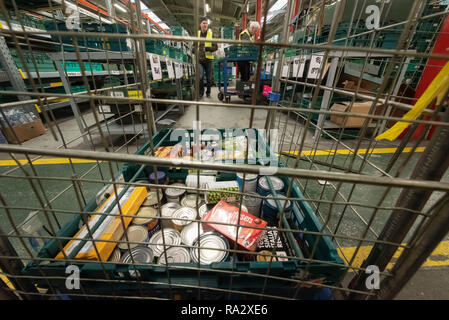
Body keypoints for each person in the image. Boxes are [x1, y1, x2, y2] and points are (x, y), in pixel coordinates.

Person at [197, 17, 217, 98]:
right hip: (200, 60)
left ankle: (208, 92)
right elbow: (193, 46)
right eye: (203, 23)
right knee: (200, 77)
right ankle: (201, 93)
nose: (205, 25)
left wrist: (208, 48)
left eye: (206, 23)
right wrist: (194, 50)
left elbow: (215, 47)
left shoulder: (211, 34)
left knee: (209, 79)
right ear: (200, 24)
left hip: (209, 60)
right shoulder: (197, 34)